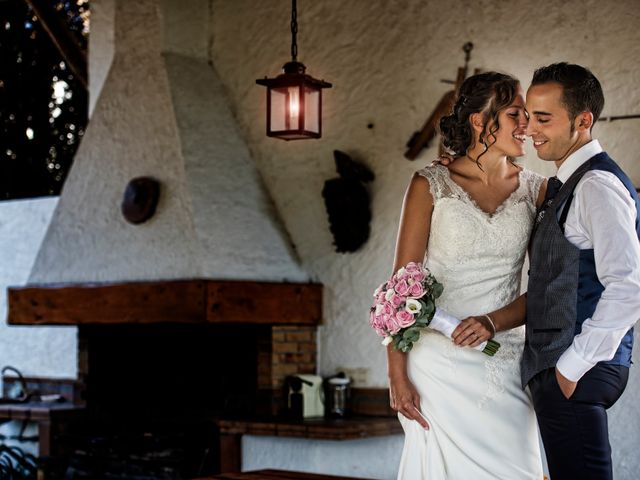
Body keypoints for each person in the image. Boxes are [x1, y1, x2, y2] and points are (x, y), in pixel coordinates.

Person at [453, 63, 640, 479]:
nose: (529, 129)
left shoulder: (596, 186)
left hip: (574, 369)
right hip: (562, 369)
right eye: (526, 115)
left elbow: (629, 286)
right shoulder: (567, 185)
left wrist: (571, 367)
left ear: (582, 121)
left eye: (543, 118)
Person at [388, 71, 546, 479]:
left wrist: (494, 323)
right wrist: (396, 376)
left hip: (504, 359)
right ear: (479, 120)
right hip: (437, 366)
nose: (526, 125)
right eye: (515, 114)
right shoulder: (430, 184)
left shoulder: (537, 190)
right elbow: (399, 290)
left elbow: (547, 286)